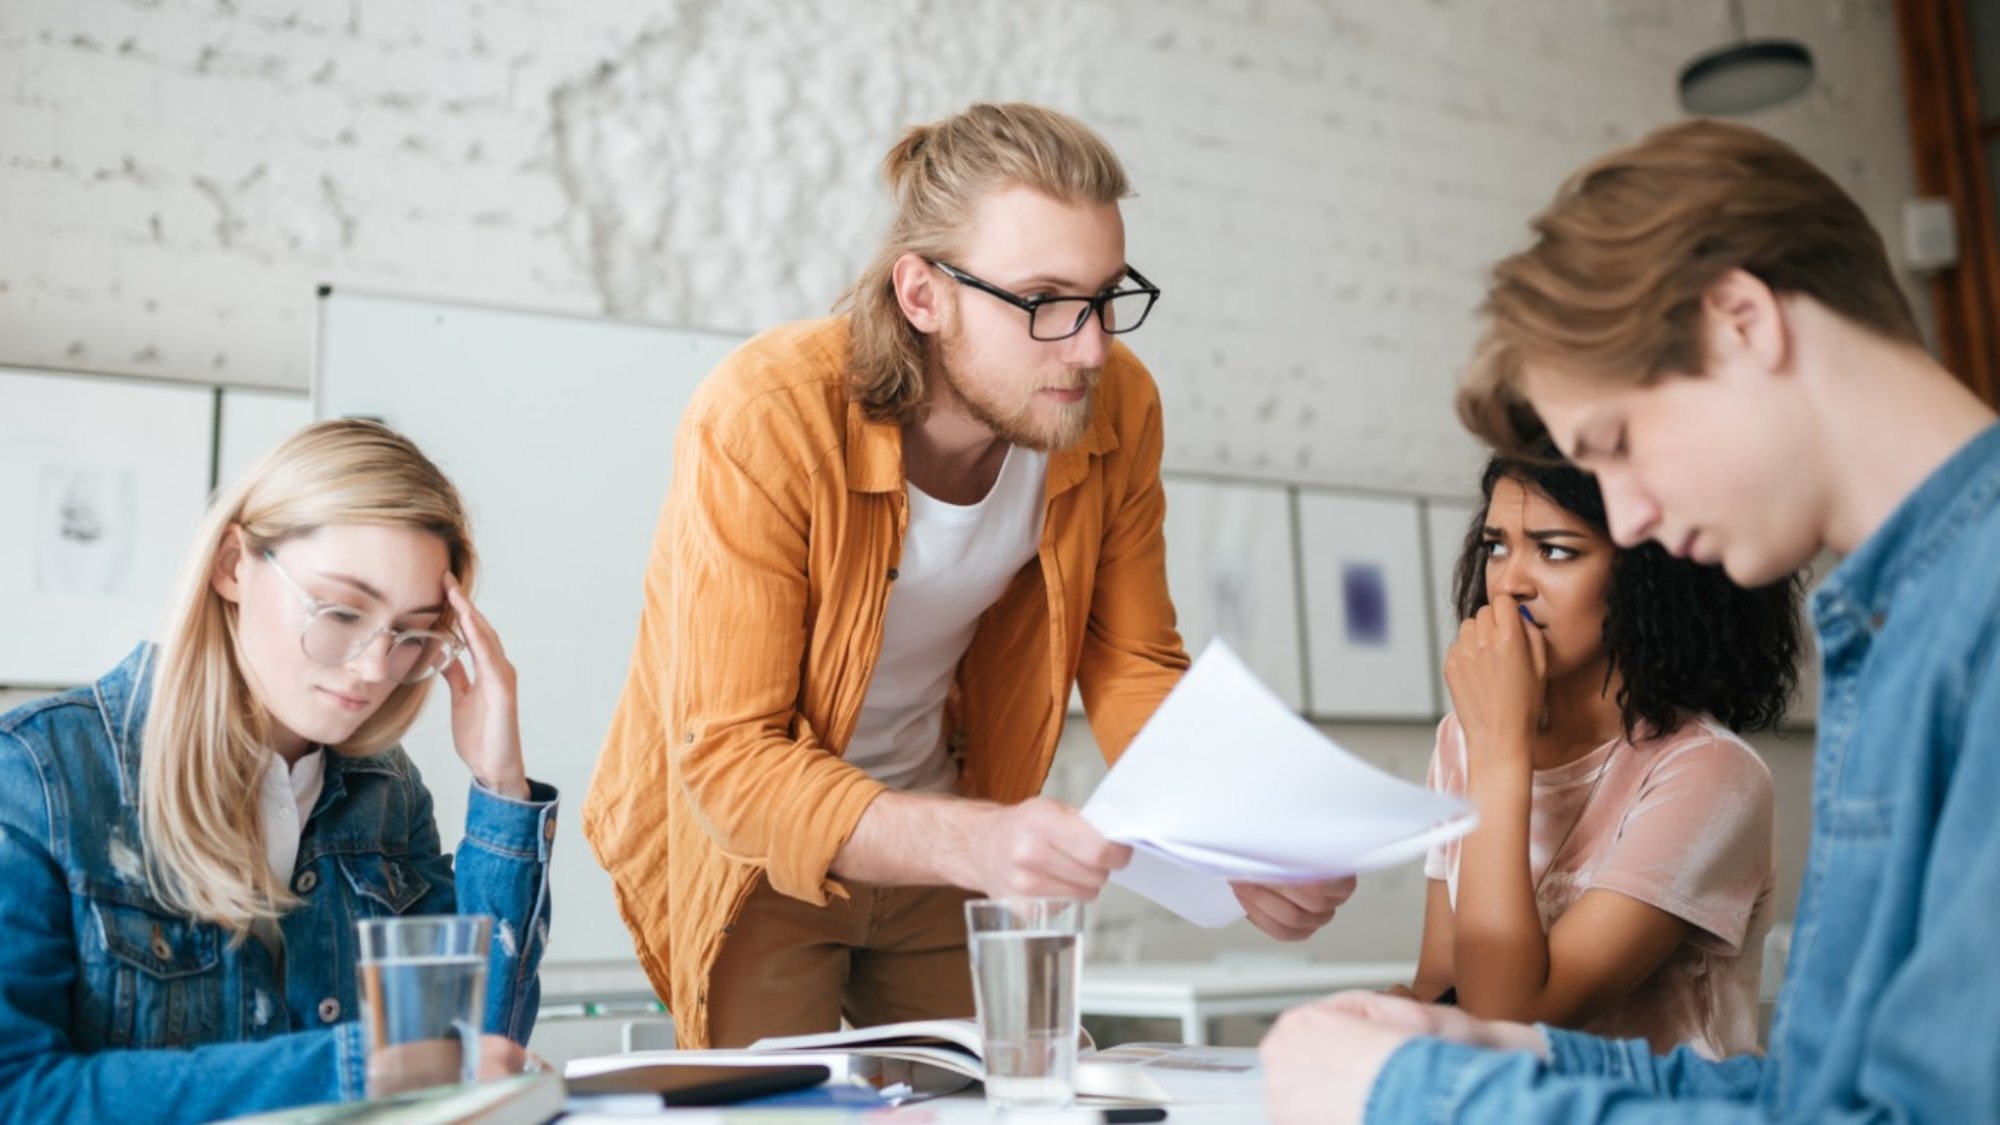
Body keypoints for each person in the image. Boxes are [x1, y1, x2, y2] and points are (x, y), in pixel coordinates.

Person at [1260, 118, 2000, 1123]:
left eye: (1618, 444)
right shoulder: (1906, 618)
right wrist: (1492, 1049)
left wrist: (1427, 1096)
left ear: (1741, 320)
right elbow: (1821, 1100)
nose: (1636, 516)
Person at [583, 102, 1353, 1049]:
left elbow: (1133, 665)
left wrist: (1236, 836)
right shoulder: (766, 414)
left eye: (1108, 296)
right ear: (922, 295)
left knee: (1010, 1095)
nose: (1090, 346)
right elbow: (732, 758)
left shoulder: (1117, 405)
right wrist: (983, 839)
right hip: (767, 850)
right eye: (1044, 301)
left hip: (946, 830)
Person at [0, 420, 557, 1121]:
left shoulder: (387, 793)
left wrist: (500, 786)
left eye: (413, 633)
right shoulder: (34, 774)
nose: (374, 666)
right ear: (233, 563)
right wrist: (356, 1070)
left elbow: (474, 1060)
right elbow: (17, 1095)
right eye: (341, 610)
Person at [1402, 449, 1800, 1059]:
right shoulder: (1464, 738)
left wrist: (1500, 750)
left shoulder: (1712, 774)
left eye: (1556, 549)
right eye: (1497, 546)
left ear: (1649, 575)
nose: (1510, 583)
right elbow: (1444, 990)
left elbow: (1511, 1022)